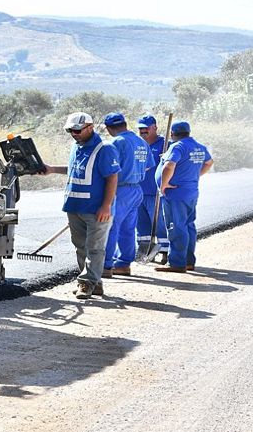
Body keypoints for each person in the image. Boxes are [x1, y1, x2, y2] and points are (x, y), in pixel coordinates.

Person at [43, 112, 120, 299]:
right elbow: (76, 170)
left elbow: (112, 177)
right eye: (70, 130)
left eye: (77, 130)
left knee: (95, 248)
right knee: (81, 247)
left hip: (96, 210)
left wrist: (106, 206)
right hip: (75, 206)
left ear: (90, 127)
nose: (74, 133)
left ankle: (86, 284)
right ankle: (95, 283)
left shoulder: (105, 149)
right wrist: (52, 169)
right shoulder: (76, 147)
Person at [154, 121, 214, 273]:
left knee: (176, 227)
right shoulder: (199, 146)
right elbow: (209, 162)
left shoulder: (177, 146)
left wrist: (163, 184)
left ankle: (177, 263)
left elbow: (169, 166)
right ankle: (188, 261)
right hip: (191, 191)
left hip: (175, 193)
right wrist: (195, 175)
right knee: (188, 225)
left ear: (173, 134)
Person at [101, 112, 151, 277]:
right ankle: (124, 264)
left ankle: (106, 265)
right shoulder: (141, 142)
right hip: (137, 189)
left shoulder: (116, 142)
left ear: (109, 128)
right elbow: (148, 166)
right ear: (124, 124)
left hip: (120, 189)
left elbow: (110, 169)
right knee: (128, 229)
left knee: (110, 227)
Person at [136, 115, 169, 262]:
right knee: (142, 226)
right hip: (138, 193)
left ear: (154, 127)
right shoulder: (138, 145)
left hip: (156, 193)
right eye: (140, 128)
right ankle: (144, 251)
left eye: (146, 128)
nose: (143, 131)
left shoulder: (166, 144)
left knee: (160, 225)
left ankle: (164, 252)